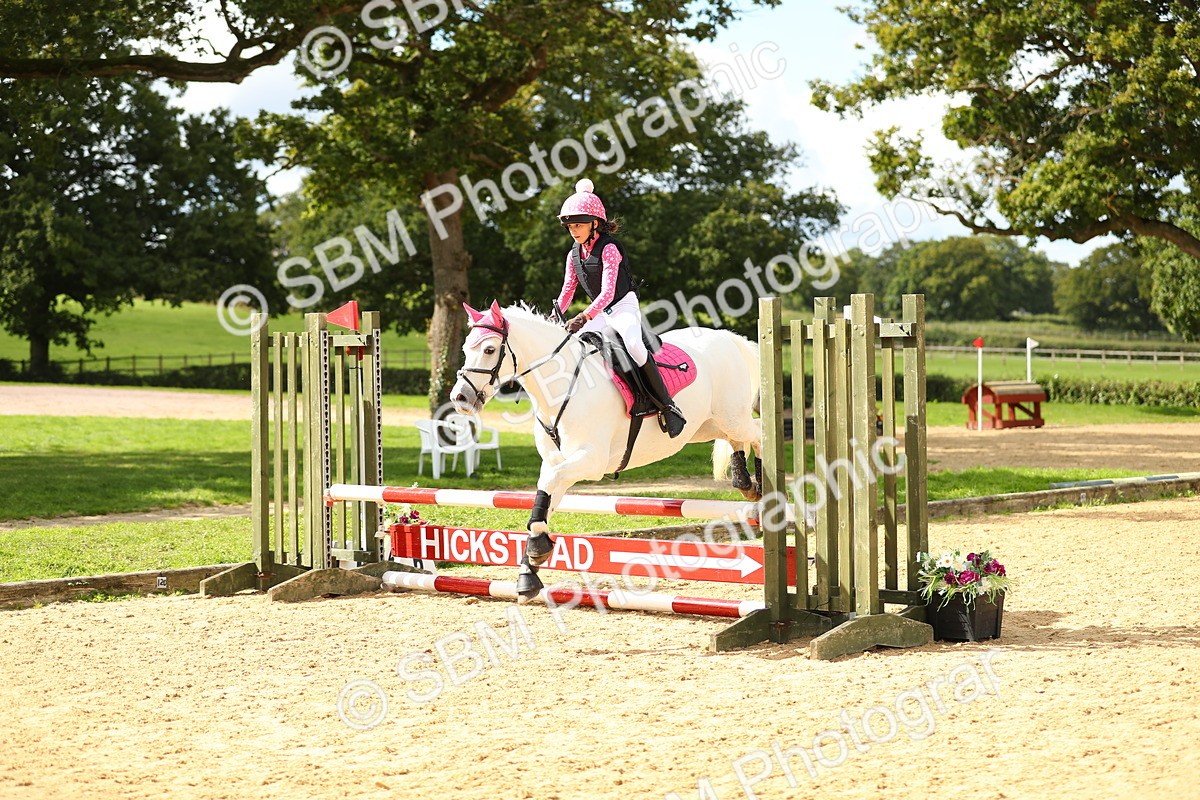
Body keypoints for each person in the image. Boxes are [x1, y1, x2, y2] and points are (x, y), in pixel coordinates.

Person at [554, 177, 686, 438]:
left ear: (595, 223)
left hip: (623, 306)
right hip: (600, 312)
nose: (573, 231)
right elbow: (567, 290)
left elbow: (608, 292)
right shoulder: (573, 255)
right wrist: (555, 315)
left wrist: (583, 316)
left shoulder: (609, 248)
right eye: (570, 226)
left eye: (579, 225)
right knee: (574, 347)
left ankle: (668, 406)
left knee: (634, 345)